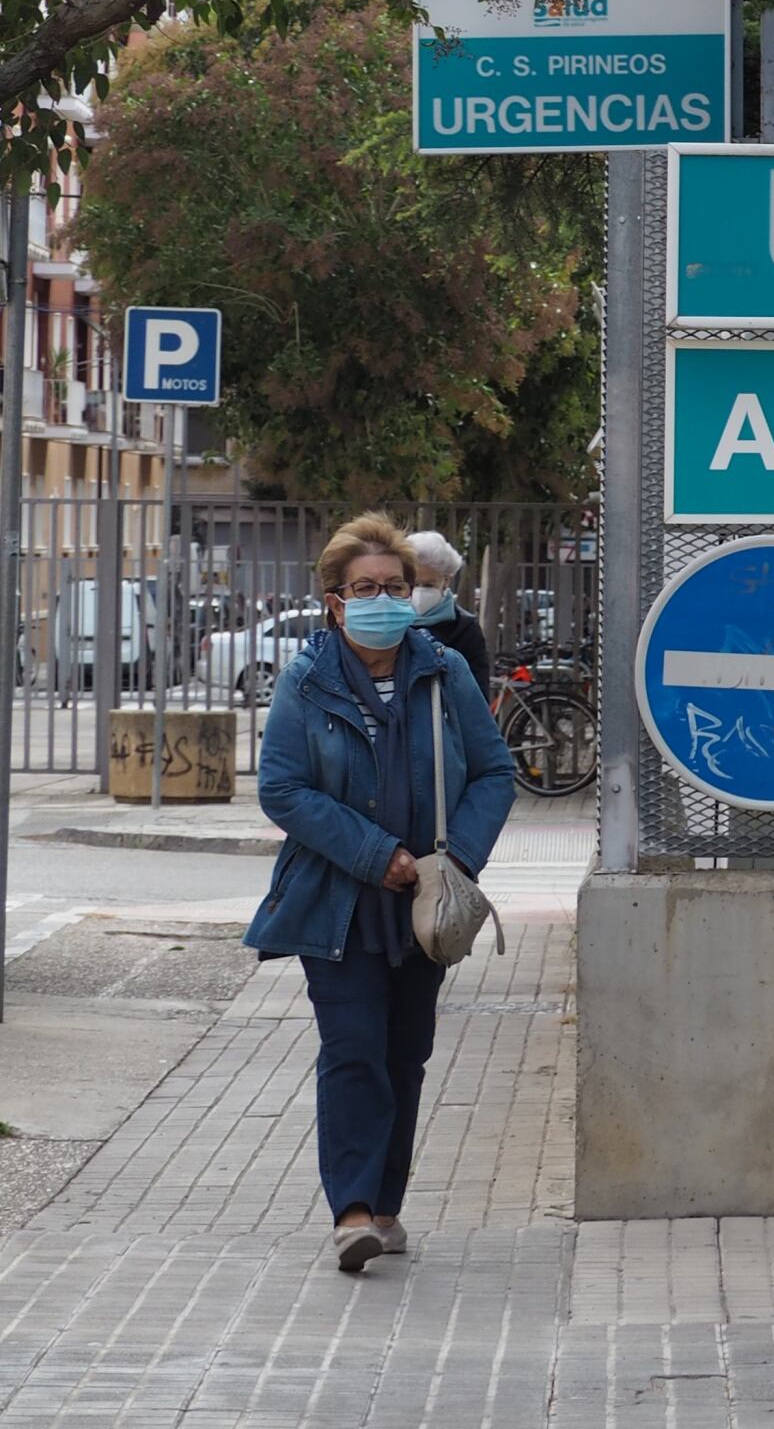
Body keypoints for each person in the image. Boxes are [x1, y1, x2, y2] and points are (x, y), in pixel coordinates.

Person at [245, 513, 516, 1273]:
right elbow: (283, 789)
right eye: (363, 588)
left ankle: (387, 1205)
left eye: (394, 586)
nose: (381, 598)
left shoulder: (443, 671)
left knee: (405, 1054)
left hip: (424, 906)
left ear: (414, 591)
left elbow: (495, 772)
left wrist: (454, 857)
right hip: (337, 902)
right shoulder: (307, 679)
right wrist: (375, 855)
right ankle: (353, 1212)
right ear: (334, 599)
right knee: (354, 1049)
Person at [405, 529, 491, 699]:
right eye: (414, 584)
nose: (420, 592)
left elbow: (477, 693)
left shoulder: (465, 628)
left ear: (446, 581)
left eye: (429, 584)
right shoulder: (392, 620)